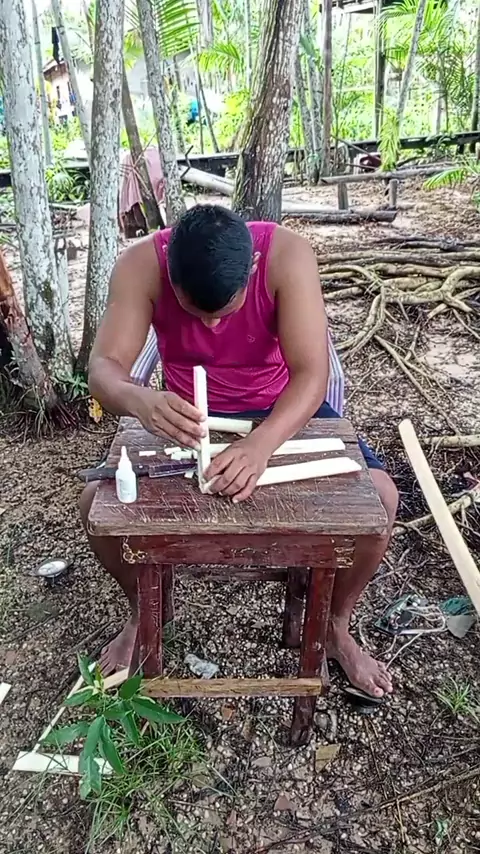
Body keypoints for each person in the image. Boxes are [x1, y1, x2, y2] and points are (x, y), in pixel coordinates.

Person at [82, 205, 398, 697]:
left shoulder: (286, 255)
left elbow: (312, 376)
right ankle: (145, 612)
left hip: (282, 409)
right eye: (194, 311)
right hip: (186, 415)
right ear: (170, 277)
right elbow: (103, 367)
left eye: (223, 312)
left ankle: (336, 625)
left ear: (251, 269)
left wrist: (261, 445)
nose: (210, 327)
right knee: (94, 506)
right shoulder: (141, 264)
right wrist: (140, 400)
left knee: (381, 498)